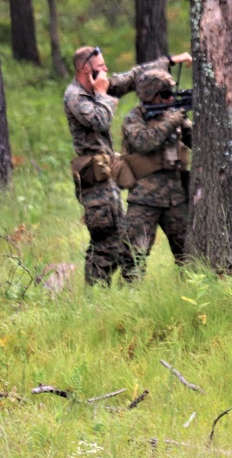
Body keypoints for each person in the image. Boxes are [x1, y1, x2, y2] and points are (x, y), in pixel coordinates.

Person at [64, 45, 192, 284]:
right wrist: (102, 94)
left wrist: (169, 60)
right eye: (101, 67)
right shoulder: (76, 95)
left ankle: (103, 292)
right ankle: (95, 297)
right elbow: (100, 121)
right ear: (85, 68)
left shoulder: (99, 86)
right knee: (106, 237)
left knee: (117, 234)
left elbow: (132, 77)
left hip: (107, 168)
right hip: (92, 170)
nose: (106, 71)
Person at [120, 69, 193, 278]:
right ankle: (129, 299)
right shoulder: (135, 118)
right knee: (134, 255)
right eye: (164, 94)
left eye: (171, 94)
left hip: (175, 197)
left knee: (188, 254)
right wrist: (172, 121)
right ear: (150, 95)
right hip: (145, 197)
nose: (170, 98)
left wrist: (186, 124)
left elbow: (198, 142)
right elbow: (144, 142)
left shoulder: (173, 117)